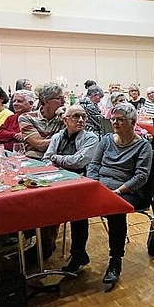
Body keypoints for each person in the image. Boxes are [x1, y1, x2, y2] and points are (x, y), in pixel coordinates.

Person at [87, 102, 152, 284]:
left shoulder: (142, 146)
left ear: (132, 123)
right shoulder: (107, 140)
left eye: (120, 120)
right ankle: (78, 254)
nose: (115, 123)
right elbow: (94, 165)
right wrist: (94, 185)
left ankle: (115, 260)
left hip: (128, 190)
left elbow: (141, 177)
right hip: (101, 186)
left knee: (115, 209)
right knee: (77, 206)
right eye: (113, 119)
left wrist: (117, 190)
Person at [42, 105, 99, 273]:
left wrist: (56, 159)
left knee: (78, 212)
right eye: (75, 117)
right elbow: (47, 157)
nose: (81, 120)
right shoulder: (58, 136)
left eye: (83, 117)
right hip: (57, 180)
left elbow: (78, 162)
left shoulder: (91, 138)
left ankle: (78, 253)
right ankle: (44, 245)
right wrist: (57, 161)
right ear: (65, 120)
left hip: (80, 180)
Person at [19, 82, 66, 257]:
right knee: (25, 197)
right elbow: (36, 144)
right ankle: (30, 235)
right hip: (32, 165)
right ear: (45, 100)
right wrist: (62, 135)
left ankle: (46, 243)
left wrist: (66, 123)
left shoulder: (64, 117)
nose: (63, 101)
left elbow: (71, 142)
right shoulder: (26, 117)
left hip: (57, 165)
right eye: (59, 98)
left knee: (52, 198)